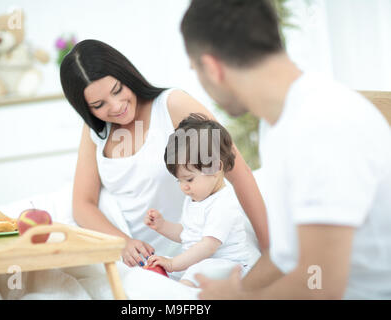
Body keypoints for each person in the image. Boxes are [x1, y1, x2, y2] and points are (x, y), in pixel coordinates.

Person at [180, 0, 391, 299]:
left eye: (195, 70)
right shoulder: (279, 122)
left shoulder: (322, 123)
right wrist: (235, 289)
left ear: (212, 68)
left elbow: (321, 284)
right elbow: (285, 257)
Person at [60, 39, 269, 268]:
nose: (116, 106)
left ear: (127, 74)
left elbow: (239, 174)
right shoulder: (95, 132)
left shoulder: (172, 106)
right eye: (99, 104)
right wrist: (124, 244)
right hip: (138, 260)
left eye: (118, 90)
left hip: (199, 252)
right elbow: (82, 204)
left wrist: (270, 252)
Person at [144, 113, 261, 287]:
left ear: (215, 167)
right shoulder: (195, 199)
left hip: (229, 266)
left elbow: (208, 246)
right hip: (200, 263)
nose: (183, 187)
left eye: (189, 179)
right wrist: (162, 226)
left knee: (193, 270)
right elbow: (189, 235)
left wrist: (173, 264)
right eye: (179, 180)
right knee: (159, 266)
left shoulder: (223, 203)